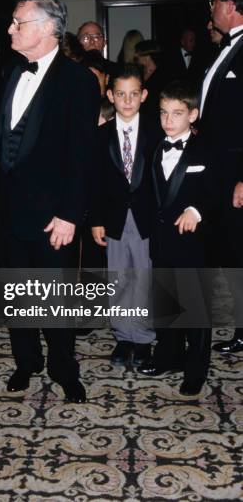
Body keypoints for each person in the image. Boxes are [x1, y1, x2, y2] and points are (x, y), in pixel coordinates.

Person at [0, 0, 100, 403]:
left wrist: (71, 213)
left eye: (18, 22)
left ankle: (64, 368)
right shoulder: (12, 74)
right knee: (17, 293)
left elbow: (83, 155)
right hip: (7, 209)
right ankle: (26, 361)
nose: (10, 29)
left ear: (48, 28)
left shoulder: (79, 82)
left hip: (53, 213)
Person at [139, 82, 215, 395]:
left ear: (193, 115)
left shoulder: (205, 150)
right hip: (162, 242)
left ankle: (196, 369)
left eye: (177, 114)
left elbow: (216, 189)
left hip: (193, 244)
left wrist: (197, 210)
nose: (168, 120)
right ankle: (168, 355)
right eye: (163, 113)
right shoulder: (156, 147)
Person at [90, 64, 162, 365]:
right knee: (119, 278)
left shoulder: (157, 131)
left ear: (144, 95)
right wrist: (95, 219)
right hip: (114, 217)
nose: (128, 101)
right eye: (121, 94)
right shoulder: (100, 135)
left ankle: (143, 337)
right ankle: (123, 336)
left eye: (134, 94)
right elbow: (92, 181)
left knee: (144, 277)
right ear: (110, 95)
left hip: (147, 217)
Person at [198, 0, 243, 354]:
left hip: (235, 173)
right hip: (217, 170)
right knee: (229, 249)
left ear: (230, 5)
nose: (211, 8)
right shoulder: (225, 48)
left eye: (214, 0)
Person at [134, 39, 172, 119]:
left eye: (138, 53)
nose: (135, 56)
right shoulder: (140, 73)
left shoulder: (162, 76)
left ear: (146, 56)